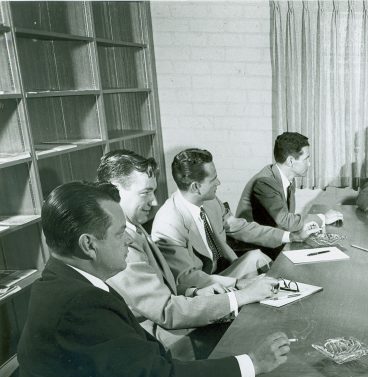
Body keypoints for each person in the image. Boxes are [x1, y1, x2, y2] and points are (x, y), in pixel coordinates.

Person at [16, 182, 291, 377]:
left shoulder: (65, 281)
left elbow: (147, 370)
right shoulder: (80, 303)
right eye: (120, 233)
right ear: (88, 244)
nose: (128, 242)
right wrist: (253, 364)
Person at [97, 150, 276, 354]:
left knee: (256, 324)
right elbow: (166, 311)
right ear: (115, 191)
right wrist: (240, 296)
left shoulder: (134, 228)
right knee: (253, 332)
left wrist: (195, 292)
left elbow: (165, 288)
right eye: (145, 192)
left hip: (175, 319)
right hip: (160, 343)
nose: (154, 201)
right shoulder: (121, 244)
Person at [152, 148, 297, 291]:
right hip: (202, 288)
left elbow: (241, 227)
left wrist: (289, 236)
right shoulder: (168, 223)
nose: (219, 182)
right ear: (196, 187)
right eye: (213, 179)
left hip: (225, 273)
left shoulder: (210, 201)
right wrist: (237, 283)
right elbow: (186, 278)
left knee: (256, 258)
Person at [237, 132, 342, 235]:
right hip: (253, 247)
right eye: (306, 159)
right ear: (290, 161)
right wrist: (323, 218)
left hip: (272, 238)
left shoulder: (287, 178)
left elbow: (286, 222)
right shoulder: (264, 182)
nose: (309, 164)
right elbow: (285, 221)